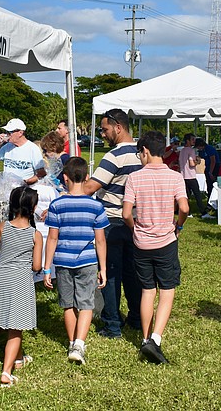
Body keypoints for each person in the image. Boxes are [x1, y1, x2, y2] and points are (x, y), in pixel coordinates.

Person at [123, 131, 188, 364]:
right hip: (166, 241)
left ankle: (144, 338)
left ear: (146, 151)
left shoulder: (134, 178)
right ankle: (156, 339)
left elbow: (126, 213)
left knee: (147, 290)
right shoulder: (175, 177)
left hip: (141, 242)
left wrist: (134, 229)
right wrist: (178, 226)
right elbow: (185, 208)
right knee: (167, 289)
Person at [82, 109, 142, 338]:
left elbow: (90, 188)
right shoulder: (141, 153)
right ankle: (136, 318)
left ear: (118, 127)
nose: (103, 135)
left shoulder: (114, 156)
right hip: (135, 221)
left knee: (109, 274)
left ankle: (112, 324)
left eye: (105, 130)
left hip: (110, 221)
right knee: (132, 273)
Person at [43, 157, 108, 365]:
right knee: (86, 303)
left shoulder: (57, 205)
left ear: (65, 178)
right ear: (87, 177)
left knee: (68, 304)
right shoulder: (95, 206)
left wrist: (46, 268)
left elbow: (52, 238)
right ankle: (80, 343)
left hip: (63, 261)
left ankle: (72, 342)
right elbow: (100, 240)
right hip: (87, 260)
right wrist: (103, 268)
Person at [0, 186, 43, 387]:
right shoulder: (35, 235)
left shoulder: (2, 227)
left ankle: (18, 360)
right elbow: (36, 266)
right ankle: (6, 372)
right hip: (22, 281)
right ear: (33, 208)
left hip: (4, 278)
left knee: (13, 322)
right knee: (16, 327)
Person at [0, 119, 45, 186]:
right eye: (6, 132)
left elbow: (41, 173)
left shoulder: (33, 149)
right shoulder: (8, 146)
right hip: (6, 189)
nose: (7, 135)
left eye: (9, 133)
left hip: (23, 191)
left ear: (20, 133)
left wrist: (25, 182)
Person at [179, 133, 206, 216]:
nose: (194, 141)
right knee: (197, 195)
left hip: (183, 176)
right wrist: (197, 162)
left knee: (186, 196)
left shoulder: (182, 150)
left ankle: (188, 212)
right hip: (191, 176)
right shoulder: (191, 150)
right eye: (192, 139)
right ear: (188, 141)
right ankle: (203, 212)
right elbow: (191, 163)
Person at [195, 138, 218, 209]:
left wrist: (211, 172)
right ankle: (209, 202)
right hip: (208, 168)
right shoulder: (202, 150)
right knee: (209, 186)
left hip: (214, 167)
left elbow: (213, 161)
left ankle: (214, 203)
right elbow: (200, 157)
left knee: (214, 186)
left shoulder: (209, 149)